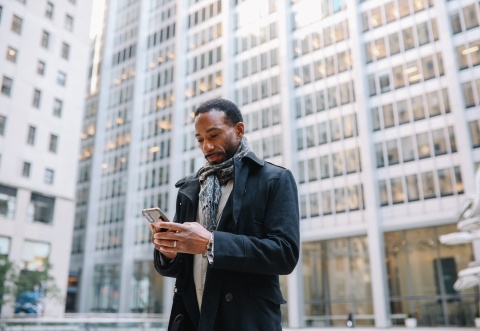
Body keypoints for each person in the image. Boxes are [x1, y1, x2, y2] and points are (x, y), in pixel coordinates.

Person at [150, 98, 300, 331]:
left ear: (239, 130)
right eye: (200, 140)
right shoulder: (190, 188)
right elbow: (181, 269)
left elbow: (285, 254)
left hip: (247, 321)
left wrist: (212, 243)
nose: (206, 147)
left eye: (214, 135)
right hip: (192, 321)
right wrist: (168, 252)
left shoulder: (274, 180)